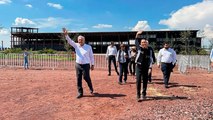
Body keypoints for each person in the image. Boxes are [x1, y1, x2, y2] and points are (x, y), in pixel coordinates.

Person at [63, 28, 94, 99]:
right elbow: (70, 41)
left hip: (86, 65)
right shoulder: (76, 45)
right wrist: (66, 35)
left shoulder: (88, 47)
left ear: (84, 40)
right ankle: (80, 93)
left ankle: (91, 87)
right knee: (78, 78)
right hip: (78, 65)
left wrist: (92, 64)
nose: (80, 41)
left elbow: (91, 56)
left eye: (81, 40)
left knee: (86, 77)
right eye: (79, 40)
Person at [135, 31, 153, 102]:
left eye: (144, 42)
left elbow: (151, 60)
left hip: (146, 67)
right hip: (139, 66)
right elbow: (136, 41)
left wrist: (150, 68)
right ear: (140, 43)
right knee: (138, 80)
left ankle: (144, 94)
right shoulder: (139, 48)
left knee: (145, 81)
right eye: (142, 42)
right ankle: (138, 95)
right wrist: (137, 34)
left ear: (147, 43)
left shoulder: (149, 50)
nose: (143, 43)